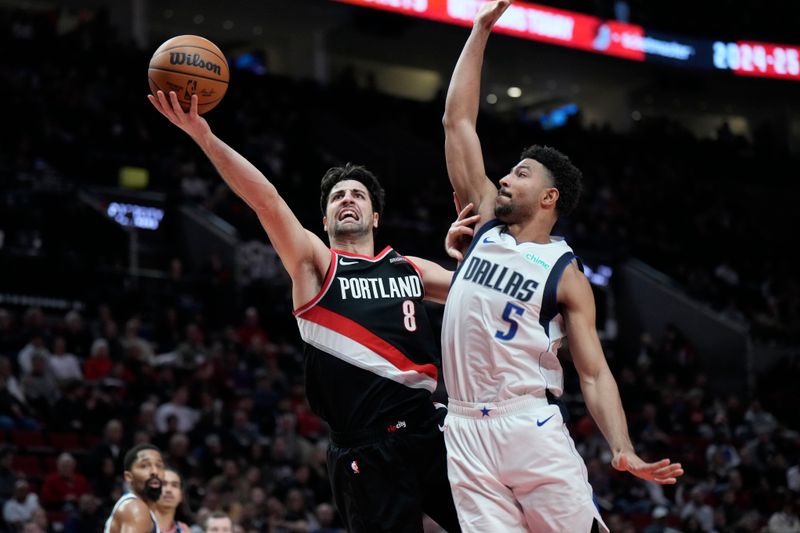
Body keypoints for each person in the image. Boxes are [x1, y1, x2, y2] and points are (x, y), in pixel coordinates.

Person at [148, 91, 460, 533]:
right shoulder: (317, 264)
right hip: (366, 449)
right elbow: (267, 202)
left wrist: (481, 248)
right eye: (337, 197)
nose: (347, 199)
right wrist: (205, 135)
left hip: (431, 433)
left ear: (375, 217)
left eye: (357, 194)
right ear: (326, 218)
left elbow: (481, 293)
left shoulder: (409, 267)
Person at [439, 1, 684, 531]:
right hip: (461, 426)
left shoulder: (566, 272)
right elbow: (457, 121)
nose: (504, 179)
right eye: (506, 171)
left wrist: (622, 448)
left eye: (519, 174)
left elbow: (594, 372)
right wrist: (481, 28)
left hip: (528, 422)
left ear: (548, 197)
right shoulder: (481, 226)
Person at [104, 443, 165, 533]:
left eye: (159, 465)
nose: (154, 471)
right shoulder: (135, 508)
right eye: (144, 466)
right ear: (129, 476)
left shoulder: (138, 507)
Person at [154, 468, 190, 533]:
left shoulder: (184, 530)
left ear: (181, 495)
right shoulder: (140, 524)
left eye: (175, 485)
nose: (168, 490)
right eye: (163, 484)